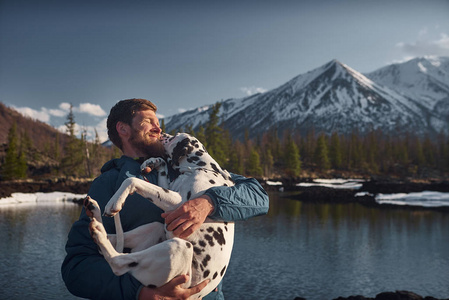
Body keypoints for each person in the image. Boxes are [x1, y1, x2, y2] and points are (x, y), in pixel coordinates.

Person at [61, 98, 269, 300]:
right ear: (123, 129)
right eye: (148, 122)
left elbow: (259, 197)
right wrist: (140, 293)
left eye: (158, 123)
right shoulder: (108, 182)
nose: (158, 128)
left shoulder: (192, 165)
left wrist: (209, 202)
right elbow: (77, 267)